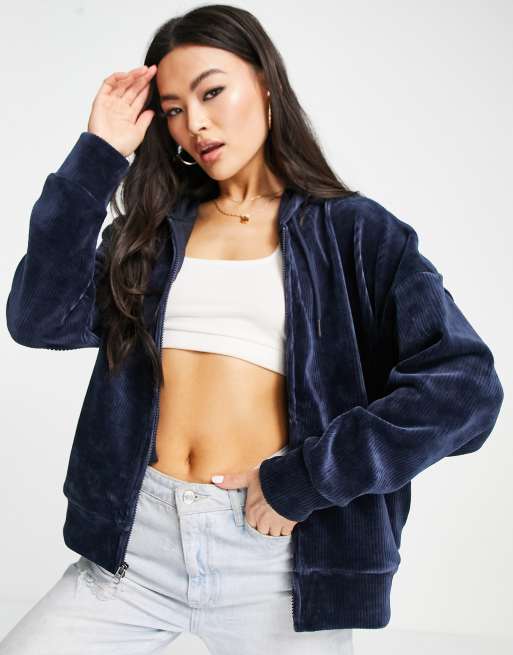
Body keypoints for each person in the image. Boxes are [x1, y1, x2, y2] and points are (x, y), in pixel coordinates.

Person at [1, 4, 503, 655]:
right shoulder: (152, 234)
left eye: (211, 92)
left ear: (264, 84)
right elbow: (37, 318)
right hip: (133, 552)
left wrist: (306, 478)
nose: (195, 123)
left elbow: (464, 389)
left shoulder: (355, 233)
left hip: (277, 565)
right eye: (174, 108)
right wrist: (97, 157)